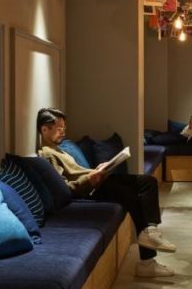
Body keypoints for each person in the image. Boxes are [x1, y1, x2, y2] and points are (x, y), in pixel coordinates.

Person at [36, 108, 176, 277]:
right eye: (60, 128)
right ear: (44, 129)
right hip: (91, 190)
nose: (63, 132)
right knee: (133, 196)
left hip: (96, 183)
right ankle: (147, 262)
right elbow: (65, 188)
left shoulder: (60, 149)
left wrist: (96, 170)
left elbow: (77, 172)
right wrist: (90, 179)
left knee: (148, 182)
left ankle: (150, 232)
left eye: (64, 128)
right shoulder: (47, 154)